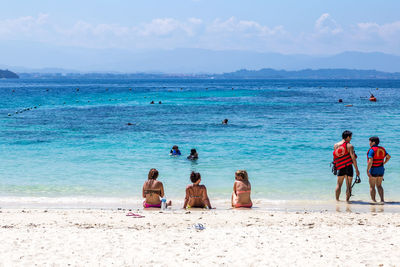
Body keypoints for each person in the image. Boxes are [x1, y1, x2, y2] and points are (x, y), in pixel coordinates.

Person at [333, 130, 360, 201]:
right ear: (348, 137)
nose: (351, 138)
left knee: (339, 184)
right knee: (348, 186)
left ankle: (337, 200)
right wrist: (357, 170)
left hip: (340, 167)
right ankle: (347, 201)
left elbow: (336, 156)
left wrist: (336, 167)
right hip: (348, 167)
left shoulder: (336, 145)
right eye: (351, 137)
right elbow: (353, 159)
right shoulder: (350, 146)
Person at [367, 136, 391, 203]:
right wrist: (383, 163)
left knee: (372, 186)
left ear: (373, 142)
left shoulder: (371, 150)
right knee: (379, 185)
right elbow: (388, 157)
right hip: (381, 169)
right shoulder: (382, 149)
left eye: (370, 142)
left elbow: (370, 160)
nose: (369, 143)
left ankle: (374, 201)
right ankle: (382, 200)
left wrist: (367, 170)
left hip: (373, 169)